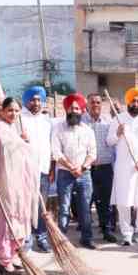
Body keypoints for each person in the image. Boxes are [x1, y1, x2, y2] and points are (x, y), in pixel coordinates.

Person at [0, 97, 39, 275]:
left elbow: (20, 151)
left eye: (16, 111)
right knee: (4, 222)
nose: (13, 114)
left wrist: (23, 142)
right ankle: (4, 260)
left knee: (17, 219)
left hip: (16, 184)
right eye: (10, 110)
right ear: (1, 111)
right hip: (3, 183)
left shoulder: (10, 129)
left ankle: (12, 257)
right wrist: (23, 144)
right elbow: (8, 149)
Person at [107, 87, 138, 246]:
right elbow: (109, 141)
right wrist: (118, 133)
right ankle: (127, 234)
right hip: (124, 167)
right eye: (133, 101)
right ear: (128, 102)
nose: (135, 103)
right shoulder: (118, 119)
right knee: (124, 201)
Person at [52, 94, 97, 249]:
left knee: (85, 208)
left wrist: (82, 167)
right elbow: (56, 152)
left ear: (82, 111)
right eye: (71, 108)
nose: (74, 111)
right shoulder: (58, 128)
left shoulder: (88, 130)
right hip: (65, 174)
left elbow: (93, 153)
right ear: (66, 109)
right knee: (64, 209)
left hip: (84, 174)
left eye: (77, 108)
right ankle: (61, 242)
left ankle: (86, 238)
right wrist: (71, 167)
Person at [21, 85, 54, 253]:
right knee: (26, 206)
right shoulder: (19, 119)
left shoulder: (46, 121)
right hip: (25, 171)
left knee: (41, 206)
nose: (36, 102)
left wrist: (51, 167)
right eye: (33, 99)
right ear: (26, 101)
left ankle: (41, 237)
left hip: (43, 169)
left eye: (39, 100)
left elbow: (50, 146)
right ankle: (27, 239)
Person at [84, 93, 117, 243]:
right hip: (87, 168)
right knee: (86, 202)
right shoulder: (81, 122)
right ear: (87, 104)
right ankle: (87, 233)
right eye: (92, 102)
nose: (95, 105)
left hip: (105, 168)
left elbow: (114, 142)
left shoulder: (109, 123)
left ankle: (107, 230)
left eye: (98, 102)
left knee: (106, 202)